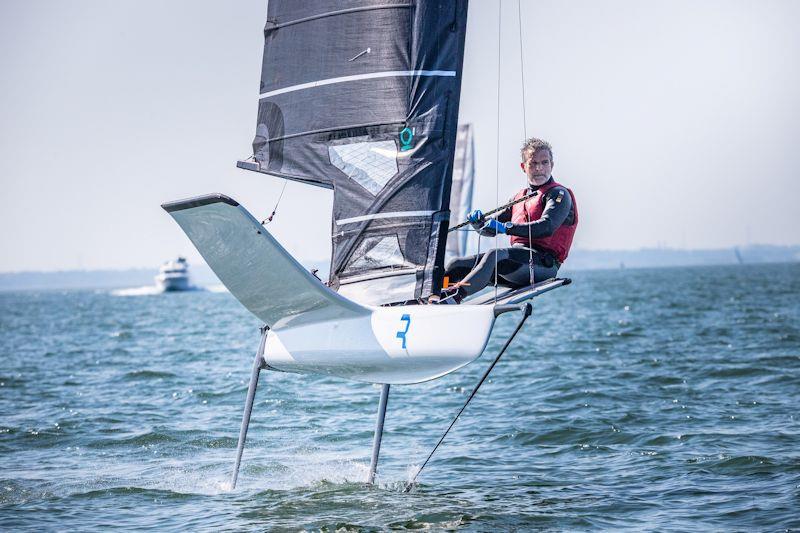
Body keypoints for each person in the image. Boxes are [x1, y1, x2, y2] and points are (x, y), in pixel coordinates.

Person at [439, 137, 578, 302]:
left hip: (543, 266)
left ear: (552, 165)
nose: (539, 168)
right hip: (516, 264)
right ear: (523, 167)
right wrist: (479, 224)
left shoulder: (558, 194)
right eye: (533, 163)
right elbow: (490, 230)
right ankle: (437, 295)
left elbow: (546, 227)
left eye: (544, 162)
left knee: (495, 255)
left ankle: (455, 296)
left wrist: (506, 227)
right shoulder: (519, 197)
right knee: (455, 265)